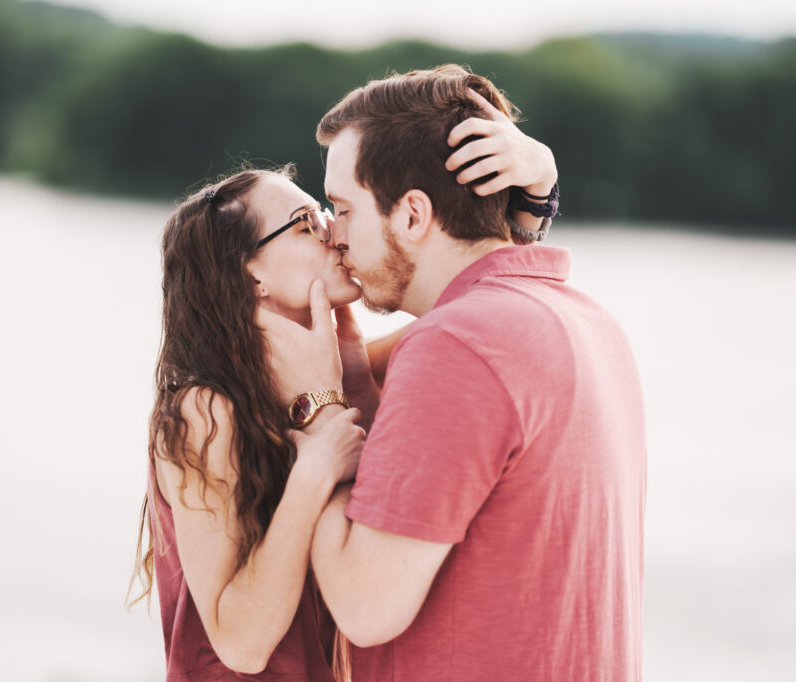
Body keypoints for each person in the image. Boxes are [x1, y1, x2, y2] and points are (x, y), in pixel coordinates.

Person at [129, 74, 558, 679]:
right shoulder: (204, 411)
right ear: (251, 276)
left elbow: (490, 311)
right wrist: (315, 466)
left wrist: (537, 191)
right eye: (306, 223)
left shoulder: (349, 366)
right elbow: (241, 644)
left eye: (330, 212)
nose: (334, 231)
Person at [259, 65, 647, 681]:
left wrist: (322, 404)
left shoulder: (458, 345)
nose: (334, 236)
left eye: (342, 208)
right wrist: (538, 195)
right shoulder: (585, 321)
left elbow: (365, 606)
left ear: (413, 215)